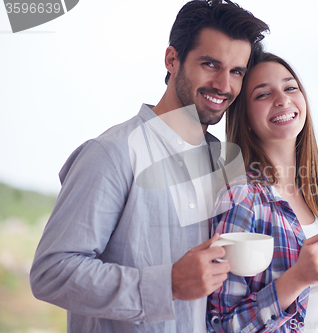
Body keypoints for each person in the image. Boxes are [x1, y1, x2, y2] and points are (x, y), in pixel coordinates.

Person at [29, 1, 269, 332]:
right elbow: (51, 273)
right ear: (172, 59)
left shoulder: (229, 168)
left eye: (236, 72)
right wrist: (167, 283)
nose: (223, 85)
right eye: (210, 64)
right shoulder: (112, 154)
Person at [207, 53, 318, 333]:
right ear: (244, 116)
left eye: (290, 87)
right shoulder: (240, 198)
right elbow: (221, 325)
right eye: (263, 95)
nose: (282, 99)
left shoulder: (314, 194)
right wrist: (296, 278)